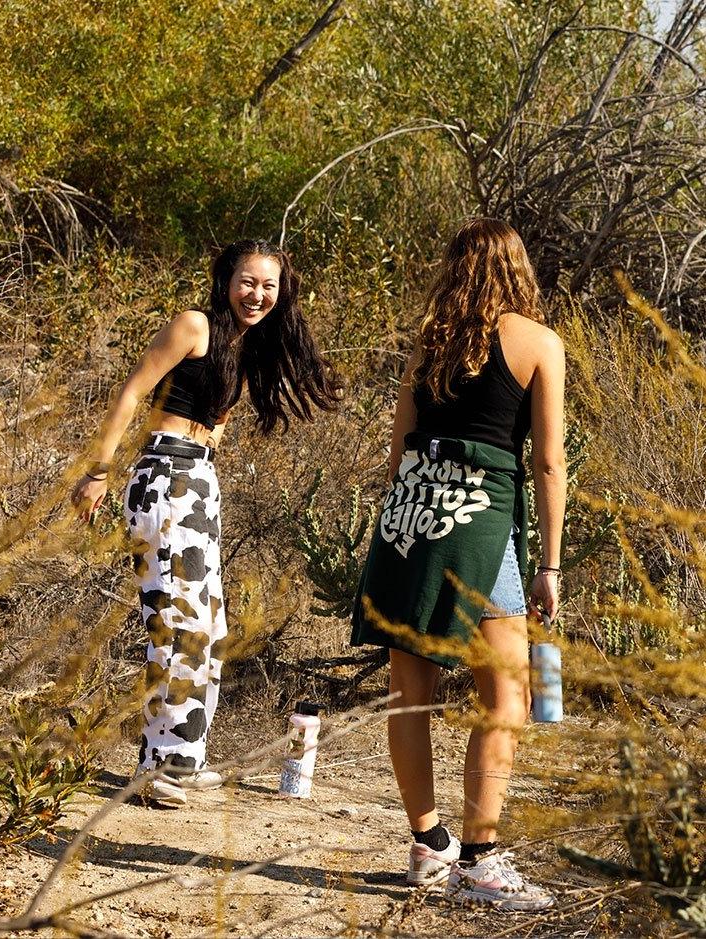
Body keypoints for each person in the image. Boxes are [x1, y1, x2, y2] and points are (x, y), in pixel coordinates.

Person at [72, 239, 340, 807]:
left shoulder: (247, 345)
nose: (258, 294)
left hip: (199, 484)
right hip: (166, 477)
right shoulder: (194, 326)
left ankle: (179, 757)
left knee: (208, 626)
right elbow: (131, 393)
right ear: (226, 280)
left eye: (269, 285)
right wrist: (98, 471)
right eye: (248, 281)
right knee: (179, 621)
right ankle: (157, 770)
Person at [351, 218, 565, 911]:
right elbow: (549, 462)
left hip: (410, 516)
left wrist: (406, 519)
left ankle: (427, 841)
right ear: (518, 270)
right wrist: (551, 565)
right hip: (480, 522)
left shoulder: (428, 343)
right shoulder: (539, 343)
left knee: (408, 690)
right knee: (506, 696)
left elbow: (396, 452)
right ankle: (479, 861)